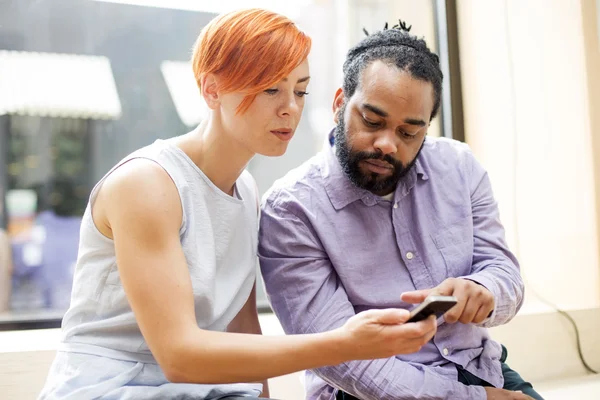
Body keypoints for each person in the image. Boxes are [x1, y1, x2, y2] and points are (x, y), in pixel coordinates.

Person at [38, 9, 438, 400]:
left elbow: (243, 328)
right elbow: (179, 356)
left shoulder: (245, 191)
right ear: (212, 90)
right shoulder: (147, 184)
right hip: (114, 386)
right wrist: (345, 344)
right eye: (270, 89)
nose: (290, 108)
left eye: (300, 91)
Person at [258, 23, 543, 400]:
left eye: (409, 133)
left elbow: (504, 273)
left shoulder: (458, 166)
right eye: (372, 122)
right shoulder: (290, 209)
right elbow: (342, 360)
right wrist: (475, 399)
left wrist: (483, 290)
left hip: (476, 364)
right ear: (339, 103)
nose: (387, 144)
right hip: (363, 391)